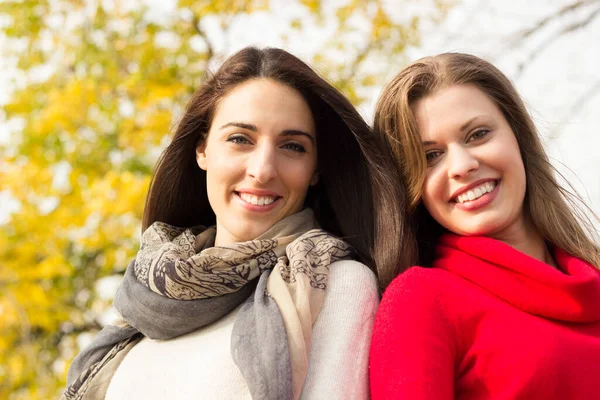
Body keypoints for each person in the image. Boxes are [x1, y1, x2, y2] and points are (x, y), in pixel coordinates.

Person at [62, 46, 414, 400]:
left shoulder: (332, 282)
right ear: (202, 150)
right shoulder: (145, 298)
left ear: (315, 170)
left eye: (292, 146)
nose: (262, 169)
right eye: (240, 139)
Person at [369, 52, 600, 399]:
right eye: (430, 156)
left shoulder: (591, 277)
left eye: (477, 134)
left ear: (518, 136)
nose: (461, 165)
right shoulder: (421, 301)